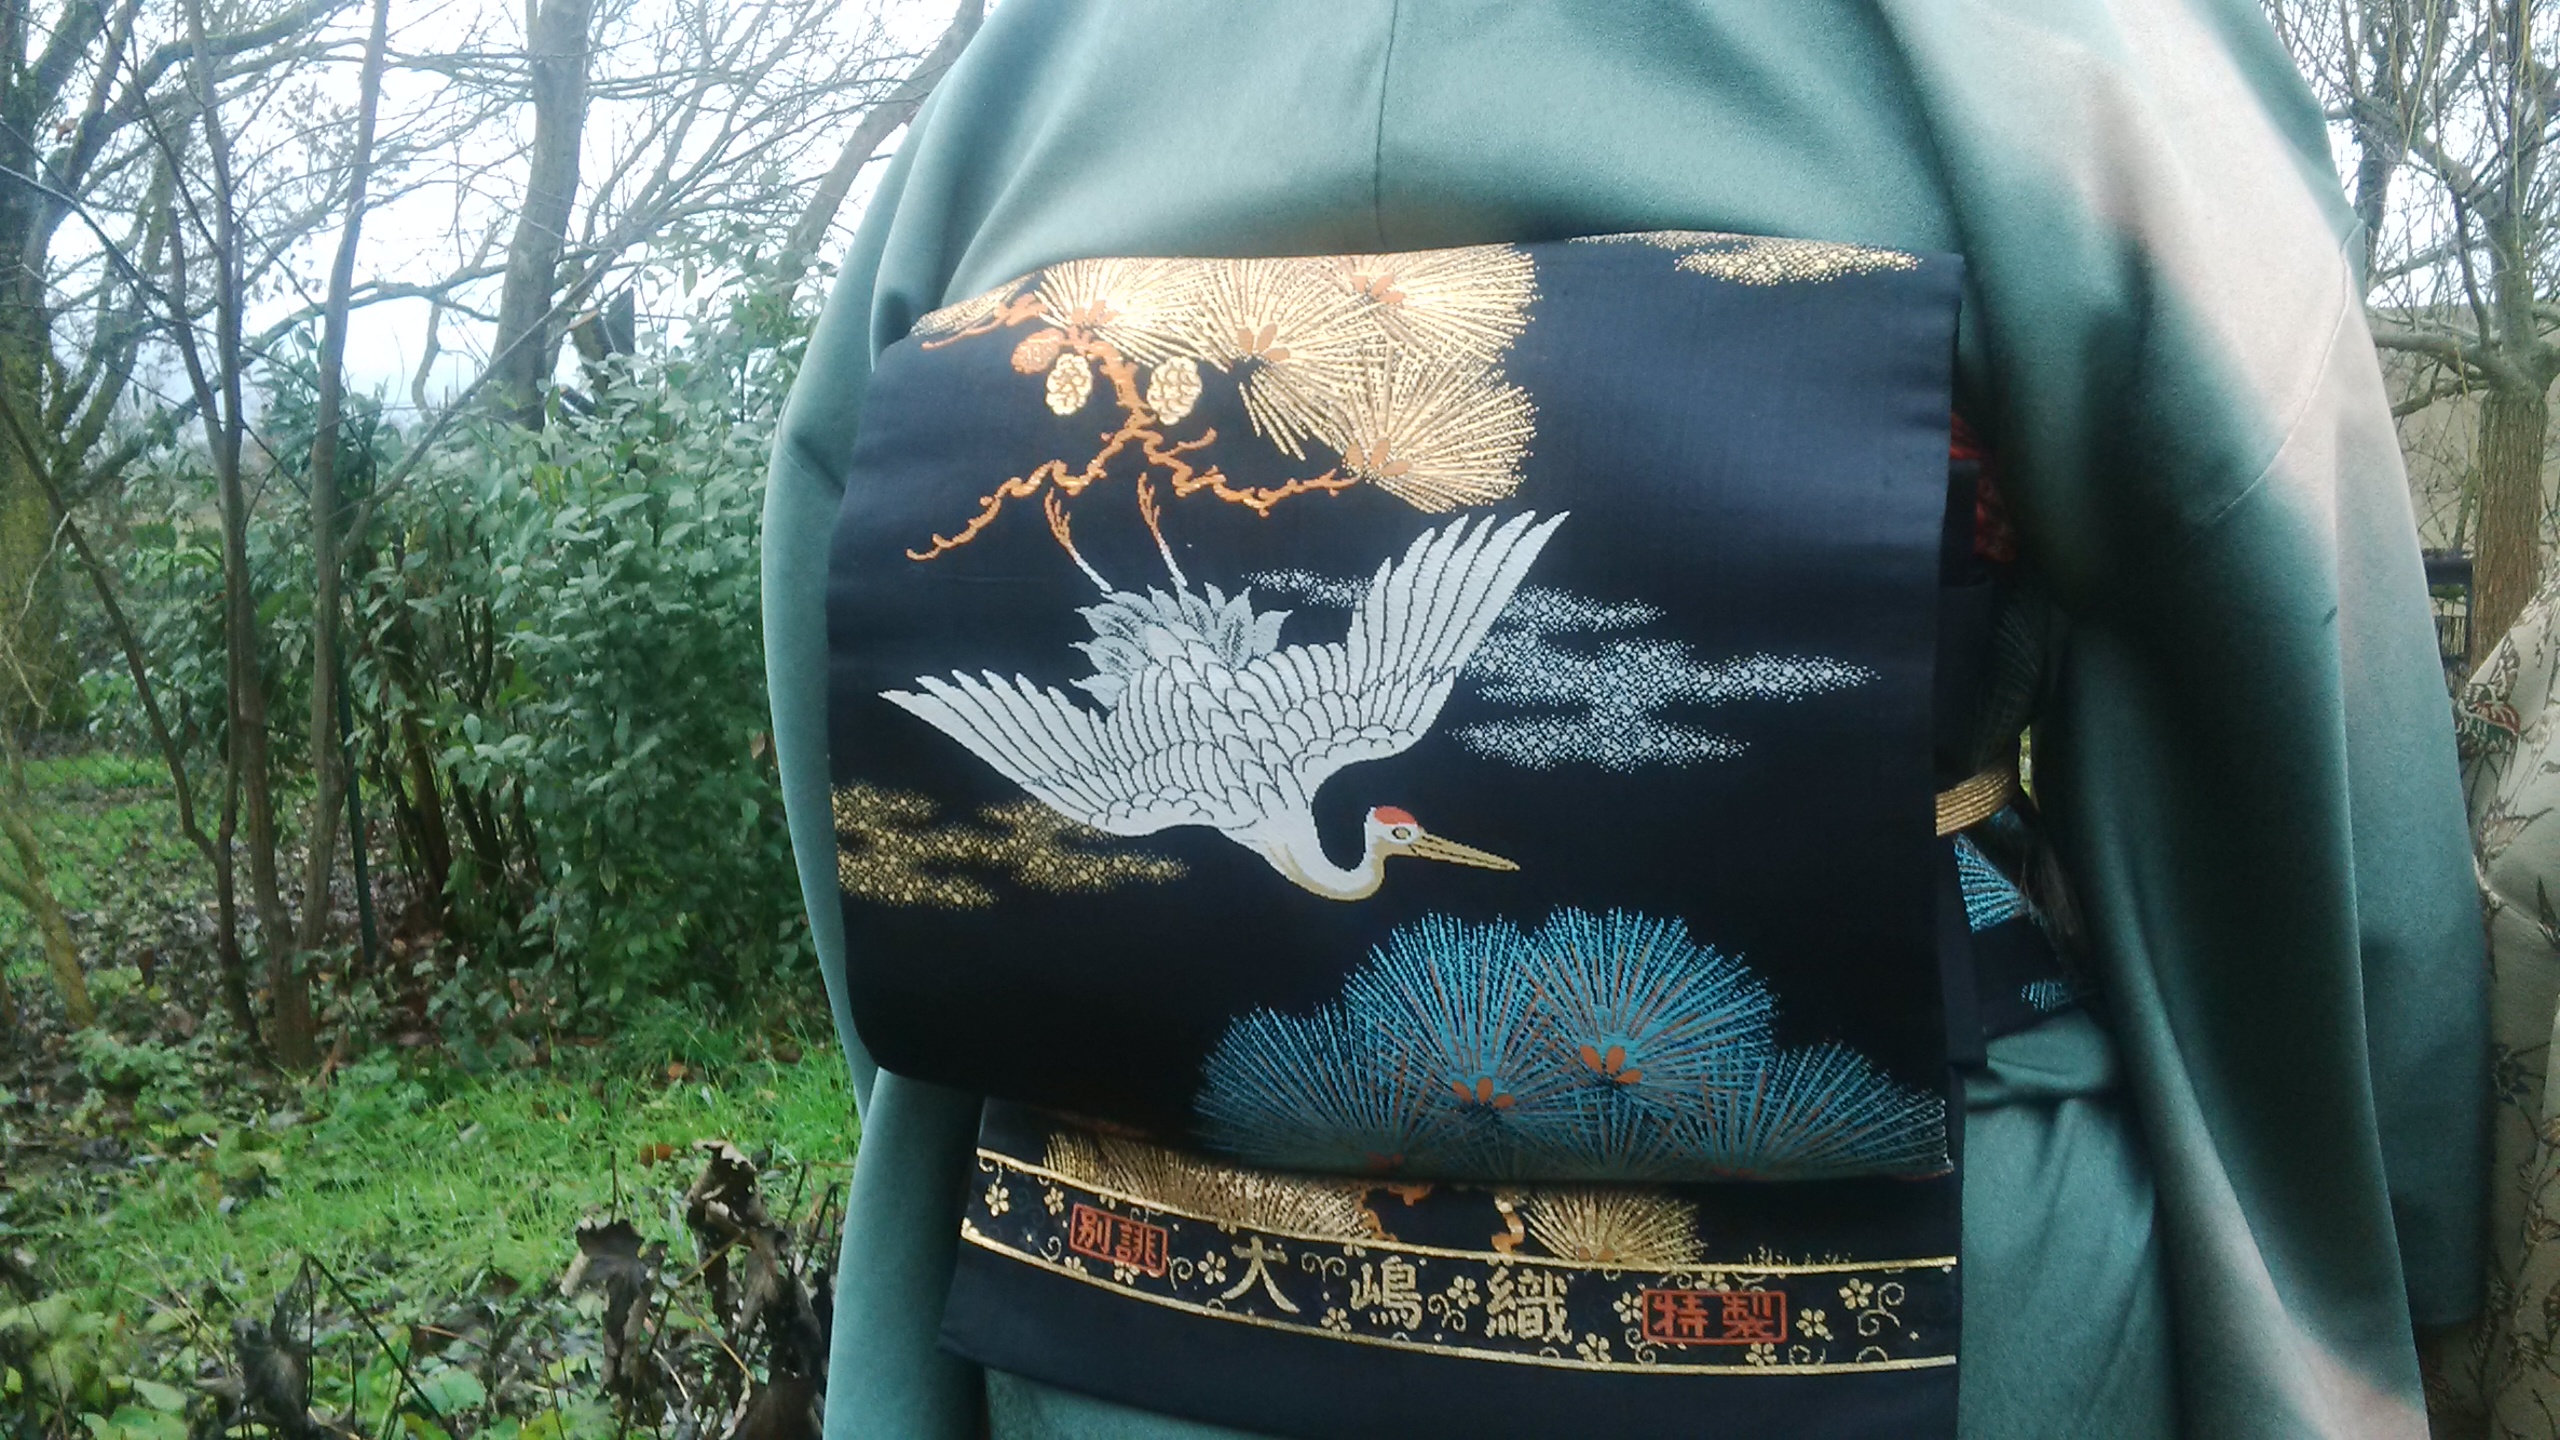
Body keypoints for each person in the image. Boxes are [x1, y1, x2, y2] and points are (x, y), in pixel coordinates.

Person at [760, 3, 2487, 1435]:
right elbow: (2271, 599)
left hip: (1111, 1305)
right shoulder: (2049, 43)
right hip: (1926, 1282)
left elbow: (854, 650)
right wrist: (2380, 1233)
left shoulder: (1037, 63)